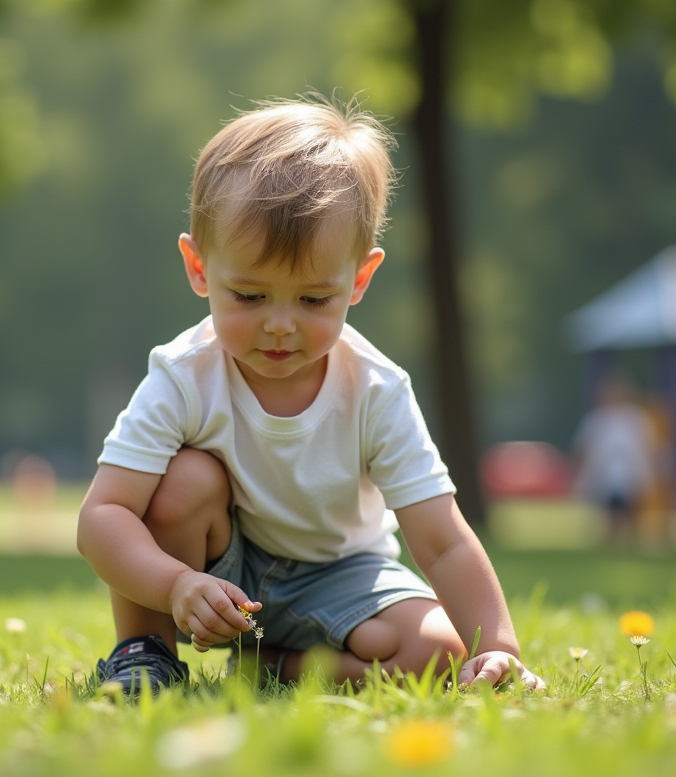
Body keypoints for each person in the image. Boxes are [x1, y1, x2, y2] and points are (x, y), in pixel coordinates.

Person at [77, 95, 544, 696]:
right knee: (185, 479)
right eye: (249, 296)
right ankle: (145, 651)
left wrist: (499, 649)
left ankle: (274, 666)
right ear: (199, 267)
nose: (279, 324)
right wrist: (174, 585)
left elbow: (442, 538)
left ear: (359, 279)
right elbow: (103, 517)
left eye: (314, 299)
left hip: (344, 573)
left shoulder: (375, 389)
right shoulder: (183, 375)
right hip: (220, 570)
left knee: (439, 652)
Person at [571, 373, 657, 545]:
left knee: (631, 509)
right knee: (609, 511)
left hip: (630, 471)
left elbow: (647, 446)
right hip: (605, 472)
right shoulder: (597, 419)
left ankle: (631, 541)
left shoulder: (636, 418)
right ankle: (611, 541)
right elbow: (584, 447)